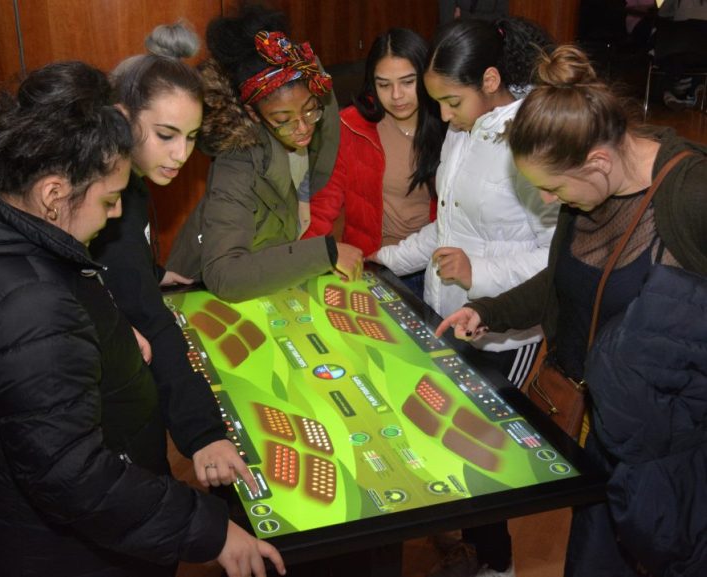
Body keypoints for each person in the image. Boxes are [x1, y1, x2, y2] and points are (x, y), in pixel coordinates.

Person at [0, 60, 285, 577]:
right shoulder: (31, 306)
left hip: (8, 527)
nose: (118, 215)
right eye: (108, 201)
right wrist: (207, 529)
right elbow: (75, 476)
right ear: (54, 195)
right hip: (61, 553)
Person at [436, 45, 707, 576]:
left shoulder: (691, 194)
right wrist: (488, 310)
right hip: (605, 429)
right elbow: (564, 283)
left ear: (598, 161)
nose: (550, 200)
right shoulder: (583, 196)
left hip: (677, 444)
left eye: (552, 187)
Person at [370, 17, 558, 577]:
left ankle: (497, 566)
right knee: (447, 439)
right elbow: (444, 230)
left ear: (492, 79)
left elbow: (556, 257)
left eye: (452, 101)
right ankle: (471, 551)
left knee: (485, 457)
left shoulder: (536, 135)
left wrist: (480, 270)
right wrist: (387, 258)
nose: (443, 116)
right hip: (446, 310)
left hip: (506, 331)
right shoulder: (459, 129)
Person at [90, 22, 253, 495]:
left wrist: (150, 272)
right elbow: (147, 315)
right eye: (166, 135)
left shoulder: (125, 177)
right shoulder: (110, 198)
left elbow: (116, 265)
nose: (181, 154)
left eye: (191, 136)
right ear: (122, 117)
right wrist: (203, 434)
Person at [165, 4, 364, 302]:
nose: (301, 129)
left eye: (310, 110)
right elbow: (224, 274)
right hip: (194, 293)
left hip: (259, 283)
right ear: (253, 114)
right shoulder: (236, 162)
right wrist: (323, 253)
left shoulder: (311, 127)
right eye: (283, 121)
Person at [303, 27, 445, 299]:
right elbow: (323, 203)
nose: (396, 96)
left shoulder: (450, 122)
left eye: (407, 82)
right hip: (374, 264)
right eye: (384, 84)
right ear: (371, 83)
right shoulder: (353, 126)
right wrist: (315, 256)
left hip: (434, 267)